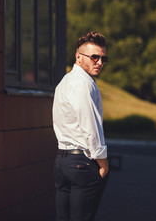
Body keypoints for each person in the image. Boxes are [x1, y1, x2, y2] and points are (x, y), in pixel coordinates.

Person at [52, 32, 109, 221]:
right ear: (78, 56)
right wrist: (103, 162)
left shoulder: (64, 82)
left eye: (103, 58)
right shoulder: (84, 84)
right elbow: (89, 125)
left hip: (62, 161)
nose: (99, 62)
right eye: (94, 57)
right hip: (83, 163)